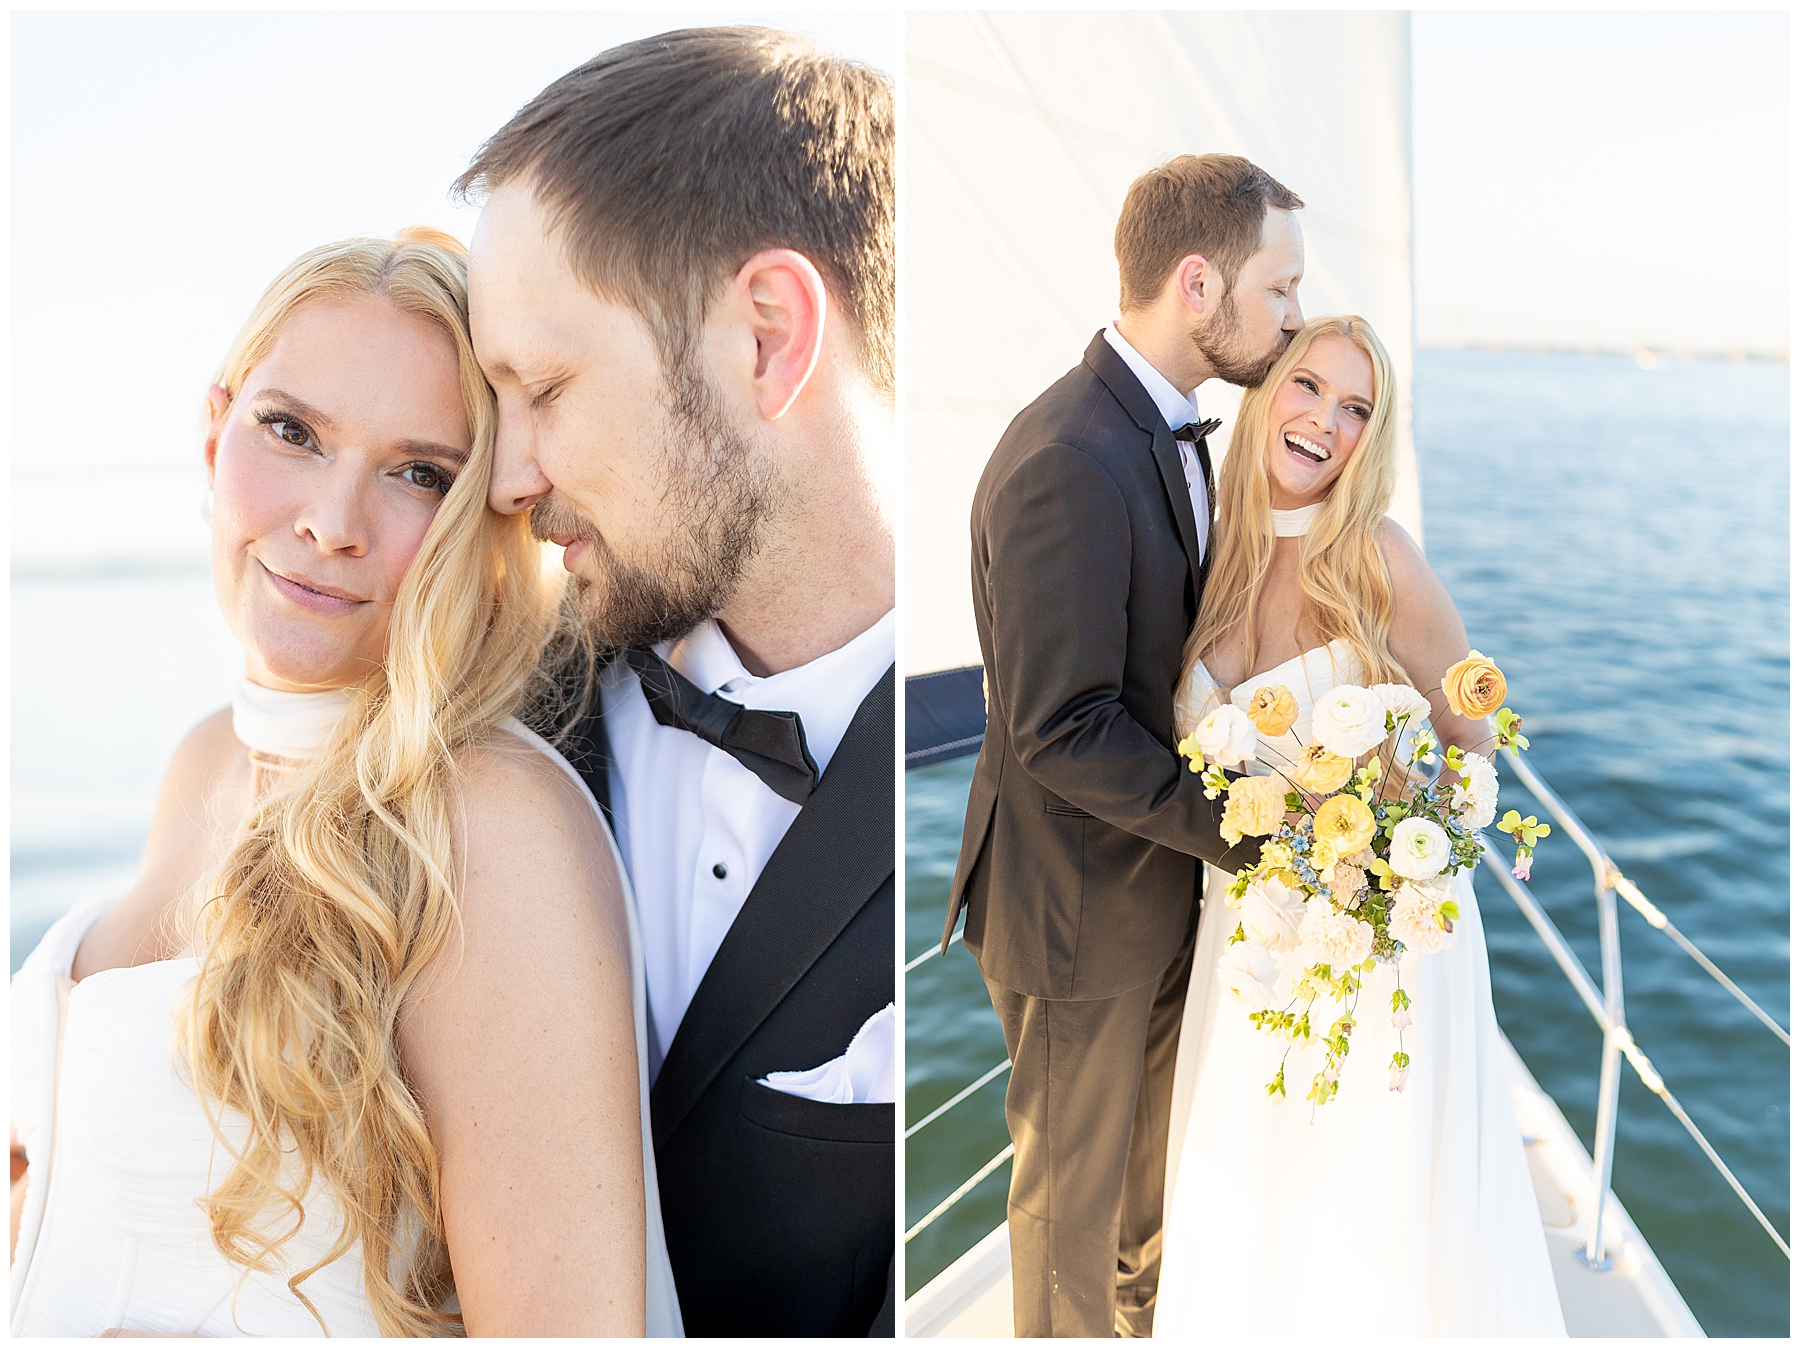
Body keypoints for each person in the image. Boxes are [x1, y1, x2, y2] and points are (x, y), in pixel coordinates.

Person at [9, 230, 681, 1337]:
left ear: (488, 516)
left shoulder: (484, 825)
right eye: (292, 431)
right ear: (215, 425)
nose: (332, 522)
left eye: (419, 473)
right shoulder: (204, 759)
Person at [458, 28, 896, 1337]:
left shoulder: (1033, 736)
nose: (505, 479)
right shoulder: (474, 717)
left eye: (539, 388)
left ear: (768, 337)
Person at [943, 154, 1305, 1337]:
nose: (1294, 319)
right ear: (1198, 283)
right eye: (1281, 289)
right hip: (1074, 912)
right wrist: (1250, 828)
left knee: (1146, 1197)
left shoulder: (1164, 432)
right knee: (1071, 1219)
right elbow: (1063, 723)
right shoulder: (1068, 457)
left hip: (1152, 894)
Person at [1151, 315, 1566, 1336]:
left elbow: (1474, 747)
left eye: (1356, 409)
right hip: (1245, 937)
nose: (1325, 421)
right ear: (1265, 395)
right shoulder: (1207, 547)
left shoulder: (1381, 558)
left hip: (1380, 949)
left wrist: (1396, 859)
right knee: (1255, 1190)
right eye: (1307, 387)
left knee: (1369, 1216)